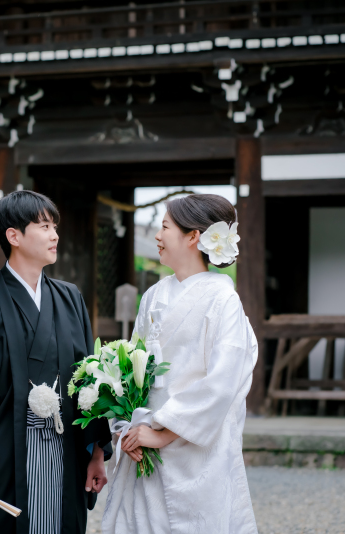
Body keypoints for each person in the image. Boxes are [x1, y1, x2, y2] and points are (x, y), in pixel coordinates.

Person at [0, 190, 112, 534]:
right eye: (44, 226)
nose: (54, 235)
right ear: (13, 236)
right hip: (2, 454)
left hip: (64, 449)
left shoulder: (70, 297)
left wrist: (96, 454)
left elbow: (89, 381)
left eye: (54, 226)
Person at [102, 194, 259, 534]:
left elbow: (222, 384)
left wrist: (163, 433)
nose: (157, 236)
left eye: (165, 227)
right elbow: (131, 370)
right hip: (145, 437)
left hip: (194, 446)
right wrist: (127, 428)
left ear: (193, 236)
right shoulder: (153, 296)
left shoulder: (224, 300)